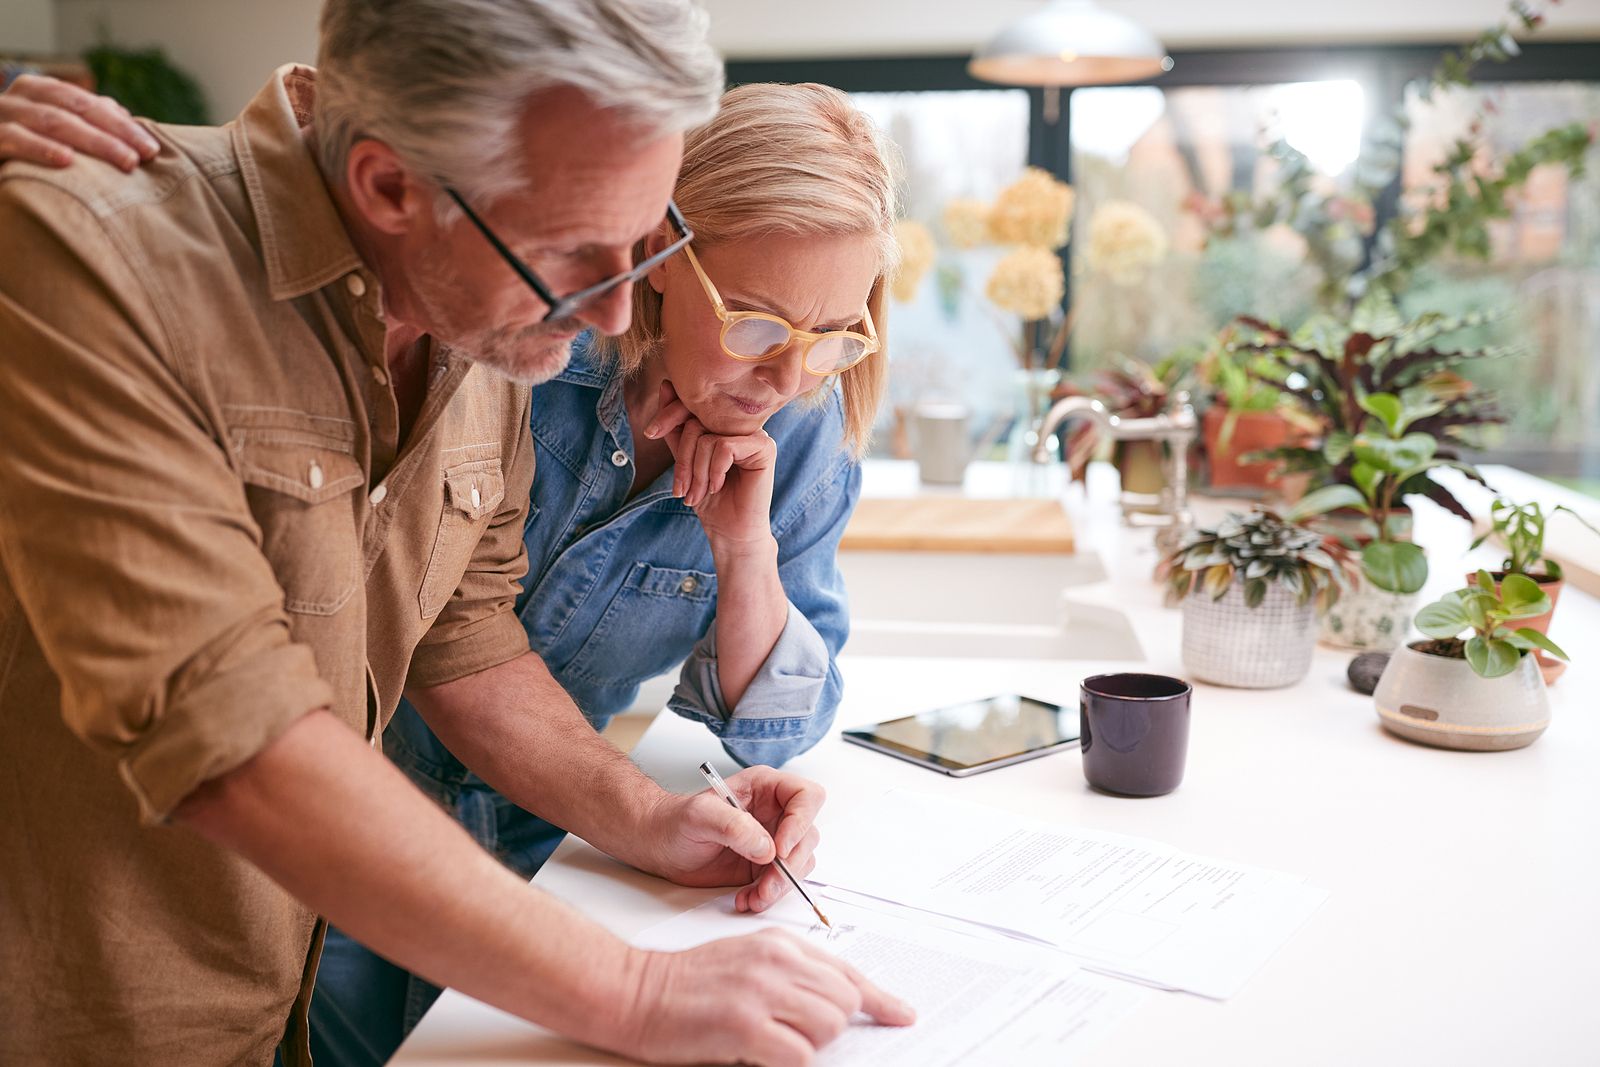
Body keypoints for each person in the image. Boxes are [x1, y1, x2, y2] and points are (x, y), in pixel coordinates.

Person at [0, 3, 911, 1066]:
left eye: (635, 245)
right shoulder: (96, 246)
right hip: (96, 1011)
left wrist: (646, 817)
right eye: (577, 254)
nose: (618, 320)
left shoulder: (475, 299)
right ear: (391, 188)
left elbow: (467, 633)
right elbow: (225, 728)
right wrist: (635, 986)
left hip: (284, 994)